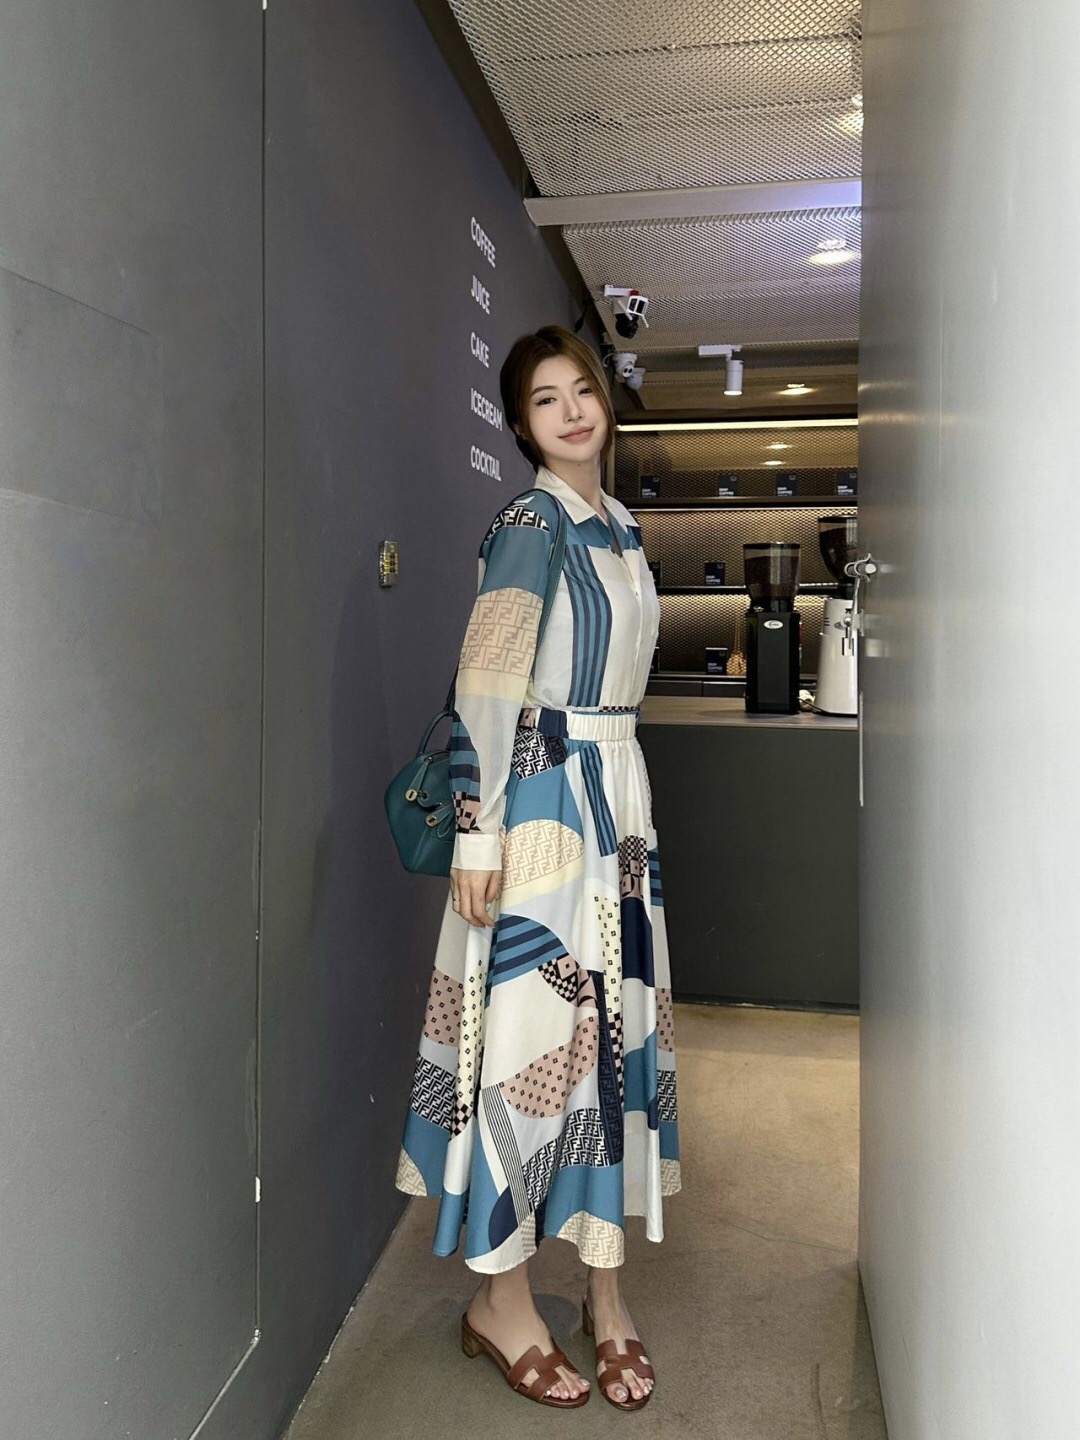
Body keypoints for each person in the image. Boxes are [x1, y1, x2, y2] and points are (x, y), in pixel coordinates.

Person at [395, 324, 681, 1411]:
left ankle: (605, 1292)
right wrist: (478, 833)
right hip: (542, 805)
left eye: (582, 390)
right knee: (528, 1043)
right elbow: (486, 679)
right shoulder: (530, 523)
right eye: (545, 399)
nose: (570, 411)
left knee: (611, 1041)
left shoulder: (623, 528)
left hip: (620, 807)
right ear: (521, 424)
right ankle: (502, 1301)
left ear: (605, 402)